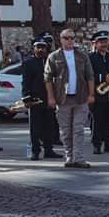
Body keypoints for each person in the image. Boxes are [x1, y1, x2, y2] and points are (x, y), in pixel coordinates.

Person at [44, 28, 95, 168]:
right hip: (62, 98)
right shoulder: (54, 57)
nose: (70, 40)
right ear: (61, 40)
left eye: (72, 38)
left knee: (78, 129)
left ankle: (78, 158)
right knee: (66, 131)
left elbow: (90, 75)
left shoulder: (82, 56)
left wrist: (91, 94)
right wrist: (51, 97)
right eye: (66, 38)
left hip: (80, 97)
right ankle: (69, 157)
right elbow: (48, 78)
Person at [21, 39, 60, 160]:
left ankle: (49, 150)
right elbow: (25, 81)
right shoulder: (29, 63)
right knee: (35, 128)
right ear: (34, 48)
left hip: (48, 98)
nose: (40, 49)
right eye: (38, 47)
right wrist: (26, 96)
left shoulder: (51, 62)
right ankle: (35, 151)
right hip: (34, 98)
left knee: (49, 126)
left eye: (43, 47)